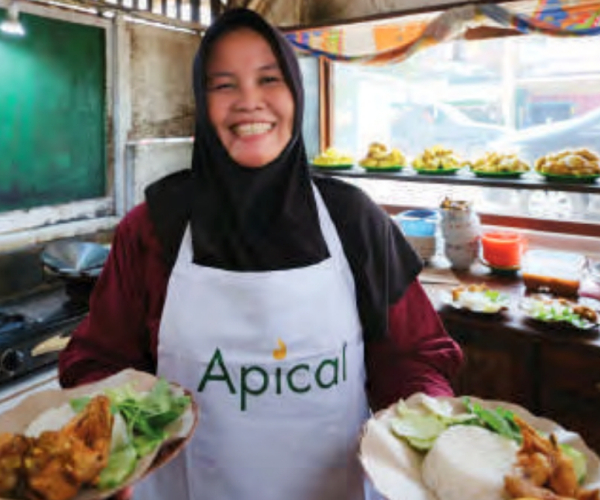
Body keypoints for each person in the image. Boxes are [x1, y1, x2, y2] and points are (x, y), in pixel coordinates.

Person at [59, 8, 463, 500]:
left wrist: (437, 435)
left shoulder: (353, 219)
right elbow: (99, 360)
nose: (248, 102)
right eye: (223, 85)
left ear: (295, 91)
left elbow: (412, 357)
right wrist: (110, 446)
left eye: (268, 79)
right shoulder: (151, 230)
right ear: (201, 104)